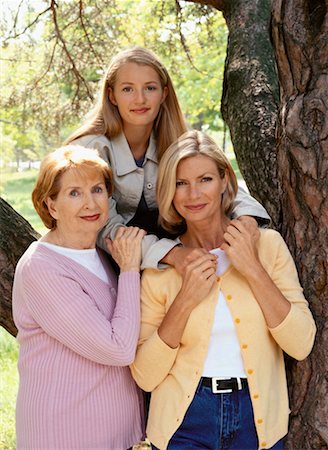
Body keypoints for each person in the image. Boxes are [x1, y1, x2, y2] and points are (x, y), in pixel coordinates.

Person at [130, 130, 316, 450]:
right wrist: (185, 299)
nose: (193, 194)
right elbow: (145, 375)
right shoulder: (160, 267)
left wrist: (252, 268)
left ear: (224, 181)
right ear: (169, 191)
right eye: (180, 183)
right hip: (184, 421)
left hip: (257, 421)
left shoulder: (266, 246)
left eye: (204, 179)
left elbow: (301, 343)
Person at [65, 46, 270, 270]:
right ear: (112, 95)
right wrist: (172, 254)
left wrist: (247, 217)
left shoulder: (177, 140)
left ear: (163, 93)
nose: (140, 99)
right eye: (127, 89)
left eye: (150, 88)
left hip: (179, 252)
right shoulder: (88, 151)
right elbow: (103, 227)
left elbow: (221, 181)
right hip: (116, 260)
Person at [12, 145, 146, 450]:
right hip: (66, 434)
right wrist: (129, 270)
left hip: (113, 436)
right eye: (74, 193)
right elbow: (118, 350)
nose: (90, 203)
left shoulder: (97, 253)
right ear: (51, 205)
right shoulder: (42, 269)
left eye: (97, 189)